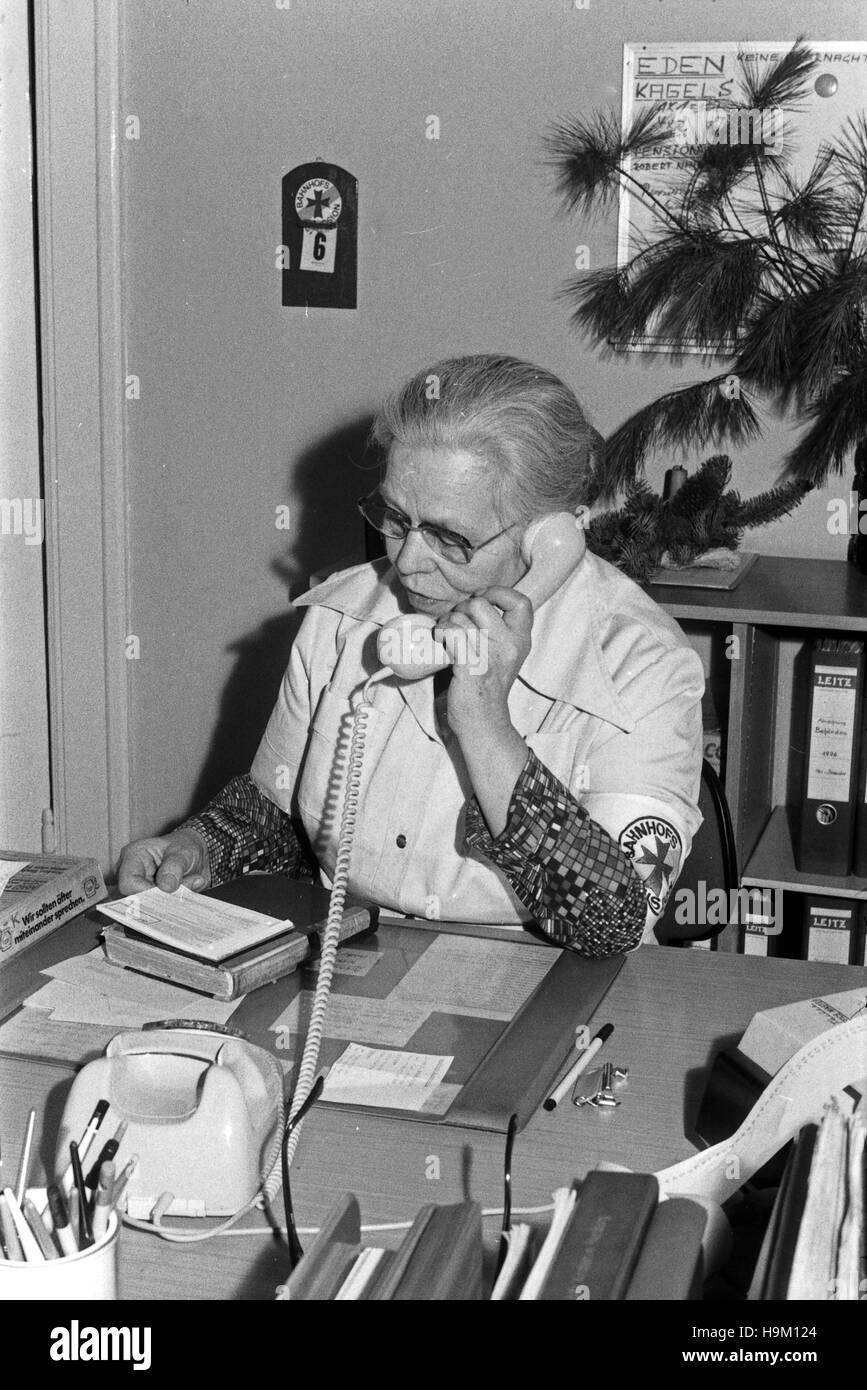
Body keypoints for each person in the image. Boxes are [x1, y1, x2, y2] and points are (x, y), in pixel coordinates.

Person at [117, 354, 705, 956]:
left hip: (549, 971)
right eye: (396, 520)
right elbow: (277, 810)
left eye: (451, 538)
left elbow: (614, 922)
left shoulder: (644, 663)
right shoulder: (342, 616)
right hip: (355, 953)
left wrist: (484, 721)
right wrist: (199, 848)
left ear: (551, 537)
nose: (407, 562)